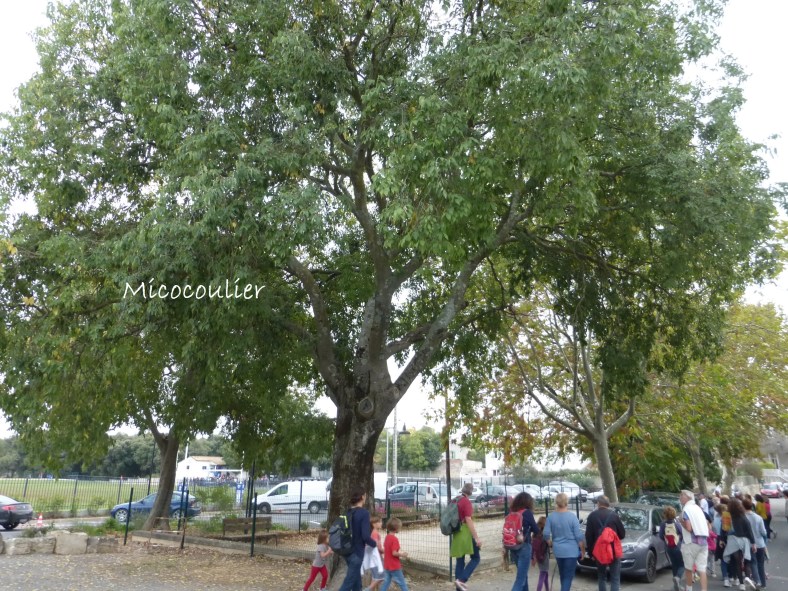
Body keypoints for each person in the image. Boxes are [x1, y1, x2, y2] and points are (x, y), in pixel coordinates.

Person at [338, 486, 378, 591]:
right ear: (362, 497)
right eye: (365, 496)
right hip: (357, 553)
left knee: (356, 581)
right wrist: (375, 544)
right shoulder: (364, 513)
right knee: (348, 583)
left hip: (346, 551)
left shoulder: (347, 512)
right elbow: (365, 536)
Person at [544, 492, 584, 591]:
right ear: (567, 502)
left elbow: (545, 534)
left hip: (558, 550)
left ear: (556, 502)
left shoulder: (551, 517)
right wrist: (582, 550)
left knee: (563, 574)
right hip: (571, 551)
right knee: (568, 576)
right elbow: (578, 536)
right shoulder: (573, 517)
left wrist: (550, 543)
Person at [585, 495, 625, 591]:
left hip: (599, 551)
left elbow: (588, 536)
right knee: (615, 577)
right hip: (613, 551)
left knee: (601, 576)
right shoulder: (614, 516)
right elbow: (622, 534)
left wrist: (591, 553)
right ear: (608, 504)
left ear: (598, 503)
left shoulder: (592, 516)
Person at [719, 498, 756, 591]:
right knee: (747, 560)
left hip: (732, 541)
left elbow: (723, 529)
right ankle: (747, 577)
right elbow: (749, 530)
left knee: (737, 562)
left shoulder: (726, 516)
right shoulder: (743, 516)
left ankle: (741, 584)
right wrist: (753, 543)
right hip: (744, 540)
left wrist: (722, 539)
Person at [451, 482, 482, 591]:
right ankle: (462, 580)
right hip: (465, 532)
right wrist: (476, 538)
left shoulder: (455, 500)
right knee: (476, 557)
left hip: (456, 532)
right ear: (471, 492)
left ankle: (458, 587)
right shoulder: (466, 502)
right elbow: (468, 519)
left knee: (460, 560)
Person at [679, 490, 709, 591]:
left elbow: (689, 528)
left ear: (687, 497)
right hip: (703, 542)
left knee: (688, 568)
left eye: (681, 495)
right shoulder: (698, 508)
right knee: (702, 569)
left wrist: (681, 522)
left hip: (690, 542)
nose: (680, 497)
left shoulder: (686, 509)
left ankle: (689, 588)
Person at [509, 492, 540, 591]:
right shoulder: (527, 513)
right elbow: (536, 530)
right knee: (520, 579)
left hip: (512, 546)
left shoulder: (511, 512)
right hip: (524, 546)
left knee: (523, 575)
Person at [743, 499, 767, 589]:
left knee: (753, 563)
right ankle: (763, 583)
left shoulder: (742, 518)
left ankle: (757, 581)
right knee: (760, 564)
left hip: (748, 544)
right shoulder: (758, 518)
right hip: (760, 543)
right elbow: (764, 532)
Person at [659, 506, 685, 591]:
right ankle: (678, 578)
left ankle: (676, 586)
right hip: (678, 546)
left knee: (674, 564)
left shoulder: (663, 524)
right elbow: (682, 533)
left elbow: (660, 536)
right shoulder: (676, 523)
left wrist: (666, 539)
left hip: (668, 547)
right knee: (682, 564)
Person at [380, 517, 409, 591]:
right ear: (396, 528)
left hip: (387, 565)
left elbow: (387, 550)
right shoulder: (394, 539)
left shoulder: (387, 537)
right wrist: (403, 554)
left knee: (386, 582)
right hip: (394, 565)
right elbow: (394, 553)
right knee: (402, 583)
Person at [361, 515, 385, 591]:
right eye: (379, 522)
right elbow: (376, 547)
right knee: (381, 577)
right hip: (376, 558)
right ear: (374, 524)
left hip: (374, 558)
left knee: (375, 577)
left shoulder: (374, 533)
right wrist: (386, 551)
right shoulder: (375, 534)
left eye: (381, 521)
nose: (381, 523)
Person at [531, 516, 550, 591]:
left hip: (538, 555)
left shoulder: (535, 533)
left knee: (545, 573)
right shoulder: (544, 534)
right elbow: (549, 543)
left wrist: (533, 557)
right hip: (544, 555)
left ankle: (547, 589)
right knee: (543, 574)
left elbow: (533, 546)